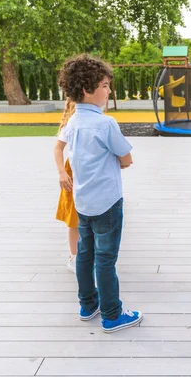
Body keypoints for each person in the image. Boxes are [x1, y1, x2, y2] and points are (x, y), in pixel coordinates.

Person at [56, 53, 142, 333]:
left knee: (84, 254)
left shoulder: (72, 122)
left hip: (83, 202)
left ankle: (87, 304)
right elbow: (126, 158)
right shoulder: (106, 123)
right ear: (87, 89)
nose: (108, 90)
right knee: (105, 260)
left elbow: (66, 150)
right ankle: (113, 314)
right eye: (104, 85)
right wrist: (118, 161)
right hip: (107, 203)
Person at [54, 98, 79, 273]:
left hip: (90, 171)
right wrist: (62, 172)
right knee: (73, 218)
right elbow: (58, 148)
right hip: (73, 171)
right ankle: (74, 256)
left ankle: (88, 254)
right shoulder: (71, 123)